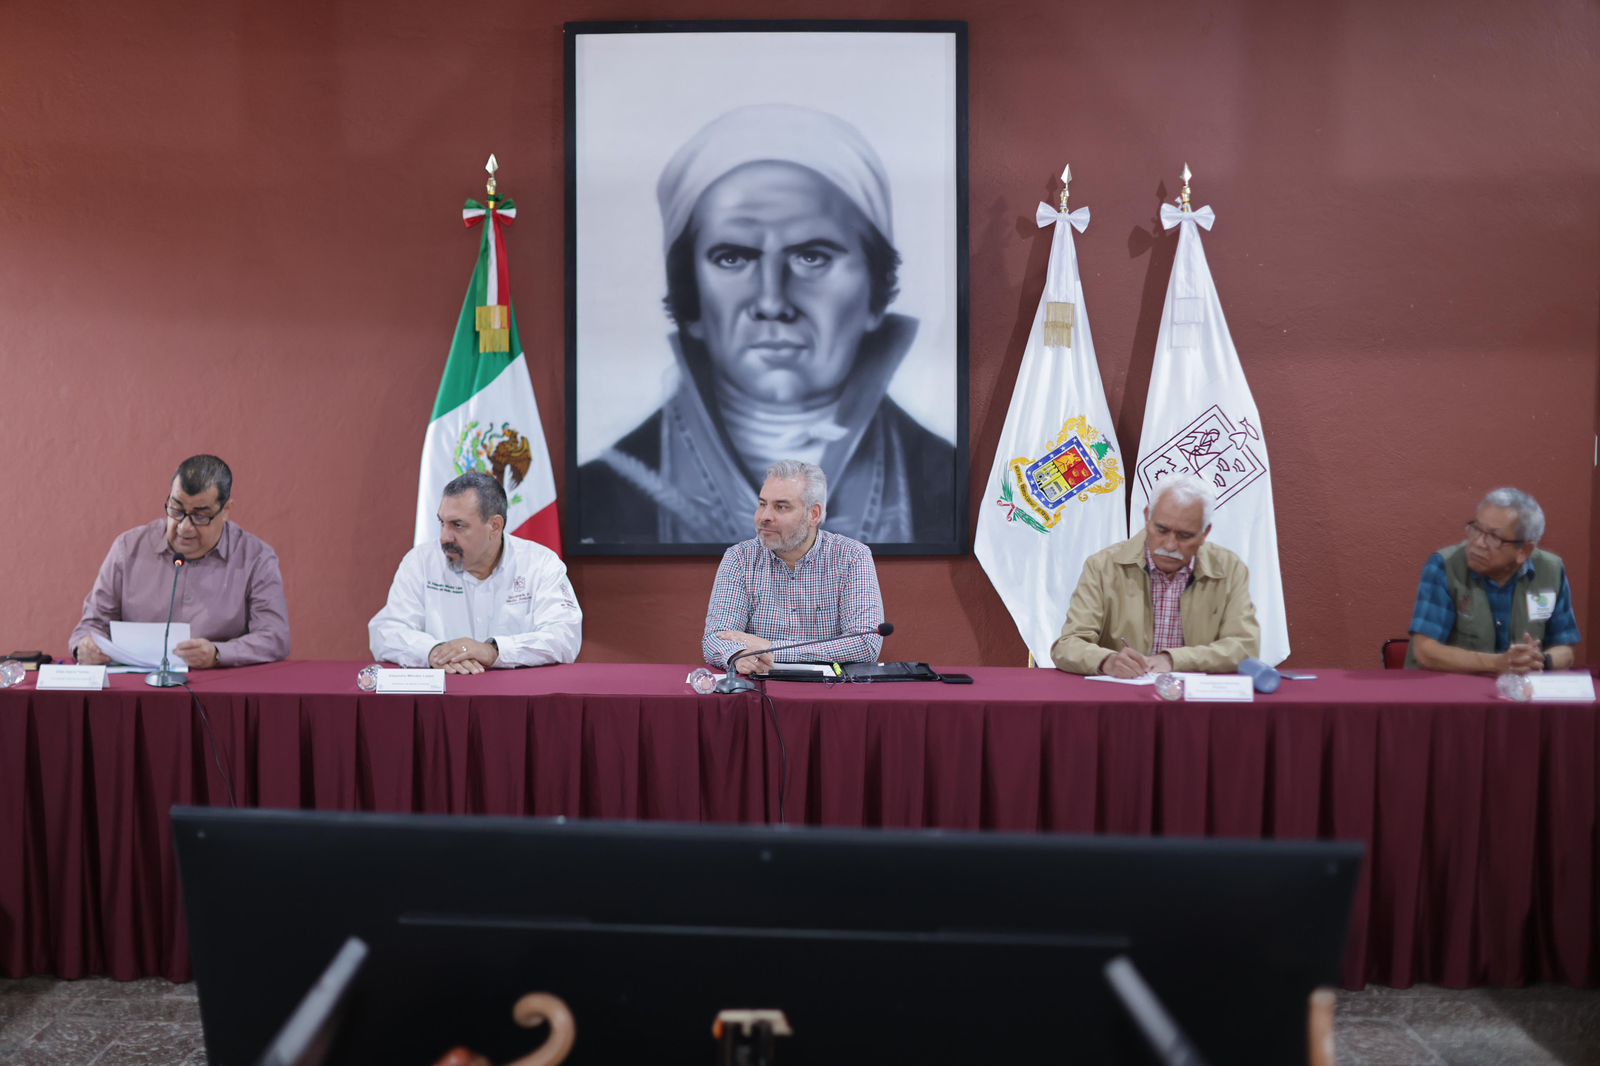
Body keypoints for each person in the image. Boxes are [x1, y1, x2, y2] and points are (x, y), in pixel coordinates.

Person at [576, 103, 955, 548]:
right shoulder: (604, 498)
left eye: (812, 257)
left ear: (875, 288)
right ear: (690, 294)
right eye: (733, 258)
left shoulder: (943, 487)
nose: (772, 302)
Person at [69, 454, 290, 668]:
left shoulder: (256, 558)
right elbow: (91, 626)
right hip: (138, 684)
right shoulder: (128, 549)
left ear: (225, 511)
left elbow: (274, 637)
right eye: (176, 510)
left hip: (219, 684)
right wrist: (84, 648)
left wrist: (218, 653)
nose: (184, 527)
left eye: (200, 516)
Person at [369, 472, 581, 672]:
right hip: (444, 693)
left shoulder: (541, 564)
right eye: (442, 523)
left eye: (457, 525)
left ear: (495, 526)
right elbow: (386, 632)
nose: (444, 537)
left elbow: (565, 637)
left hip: (516, 694)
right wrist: (434, 651)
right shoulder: (421, 562)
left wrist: (493, 651)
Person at [1051, 473, 1259, 676]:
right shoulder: (1103, 567)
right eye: (1161, 530)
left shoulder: (1229, 570)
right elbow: (1068, 645)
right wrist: (1107, 661)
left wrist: (1173, 660)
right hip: (1124, 694)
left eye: (1185, 536)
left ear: (1205, 533)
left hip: (1195, 696)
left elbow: (1245, 647)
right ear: (1147, 517)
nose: (1170, 545)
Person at [702, 459, 885, 675]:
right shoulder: (739, 558)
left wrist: (771, 649)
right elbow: (717, 637)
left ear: (813, 514)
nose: (764, 517)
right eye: (762, 504)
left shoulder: (852, 557)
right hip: (757, 687)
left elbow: (865, 643)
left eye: (781, 507)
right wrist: (738, 655)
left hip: (831, 690)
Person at [1406, 487, 1579, 673]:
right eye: (1476, 529)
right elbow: (1425, 651)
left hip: (1521, 688)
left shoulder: (1551, 570)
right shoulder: (1445, 565)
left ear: (1524, 551)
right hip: (1452, 686)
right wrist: (1496, 664)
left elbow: (1565, 649)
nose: (1478, 542)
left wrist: (1539, 661)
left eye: (1494, 537)